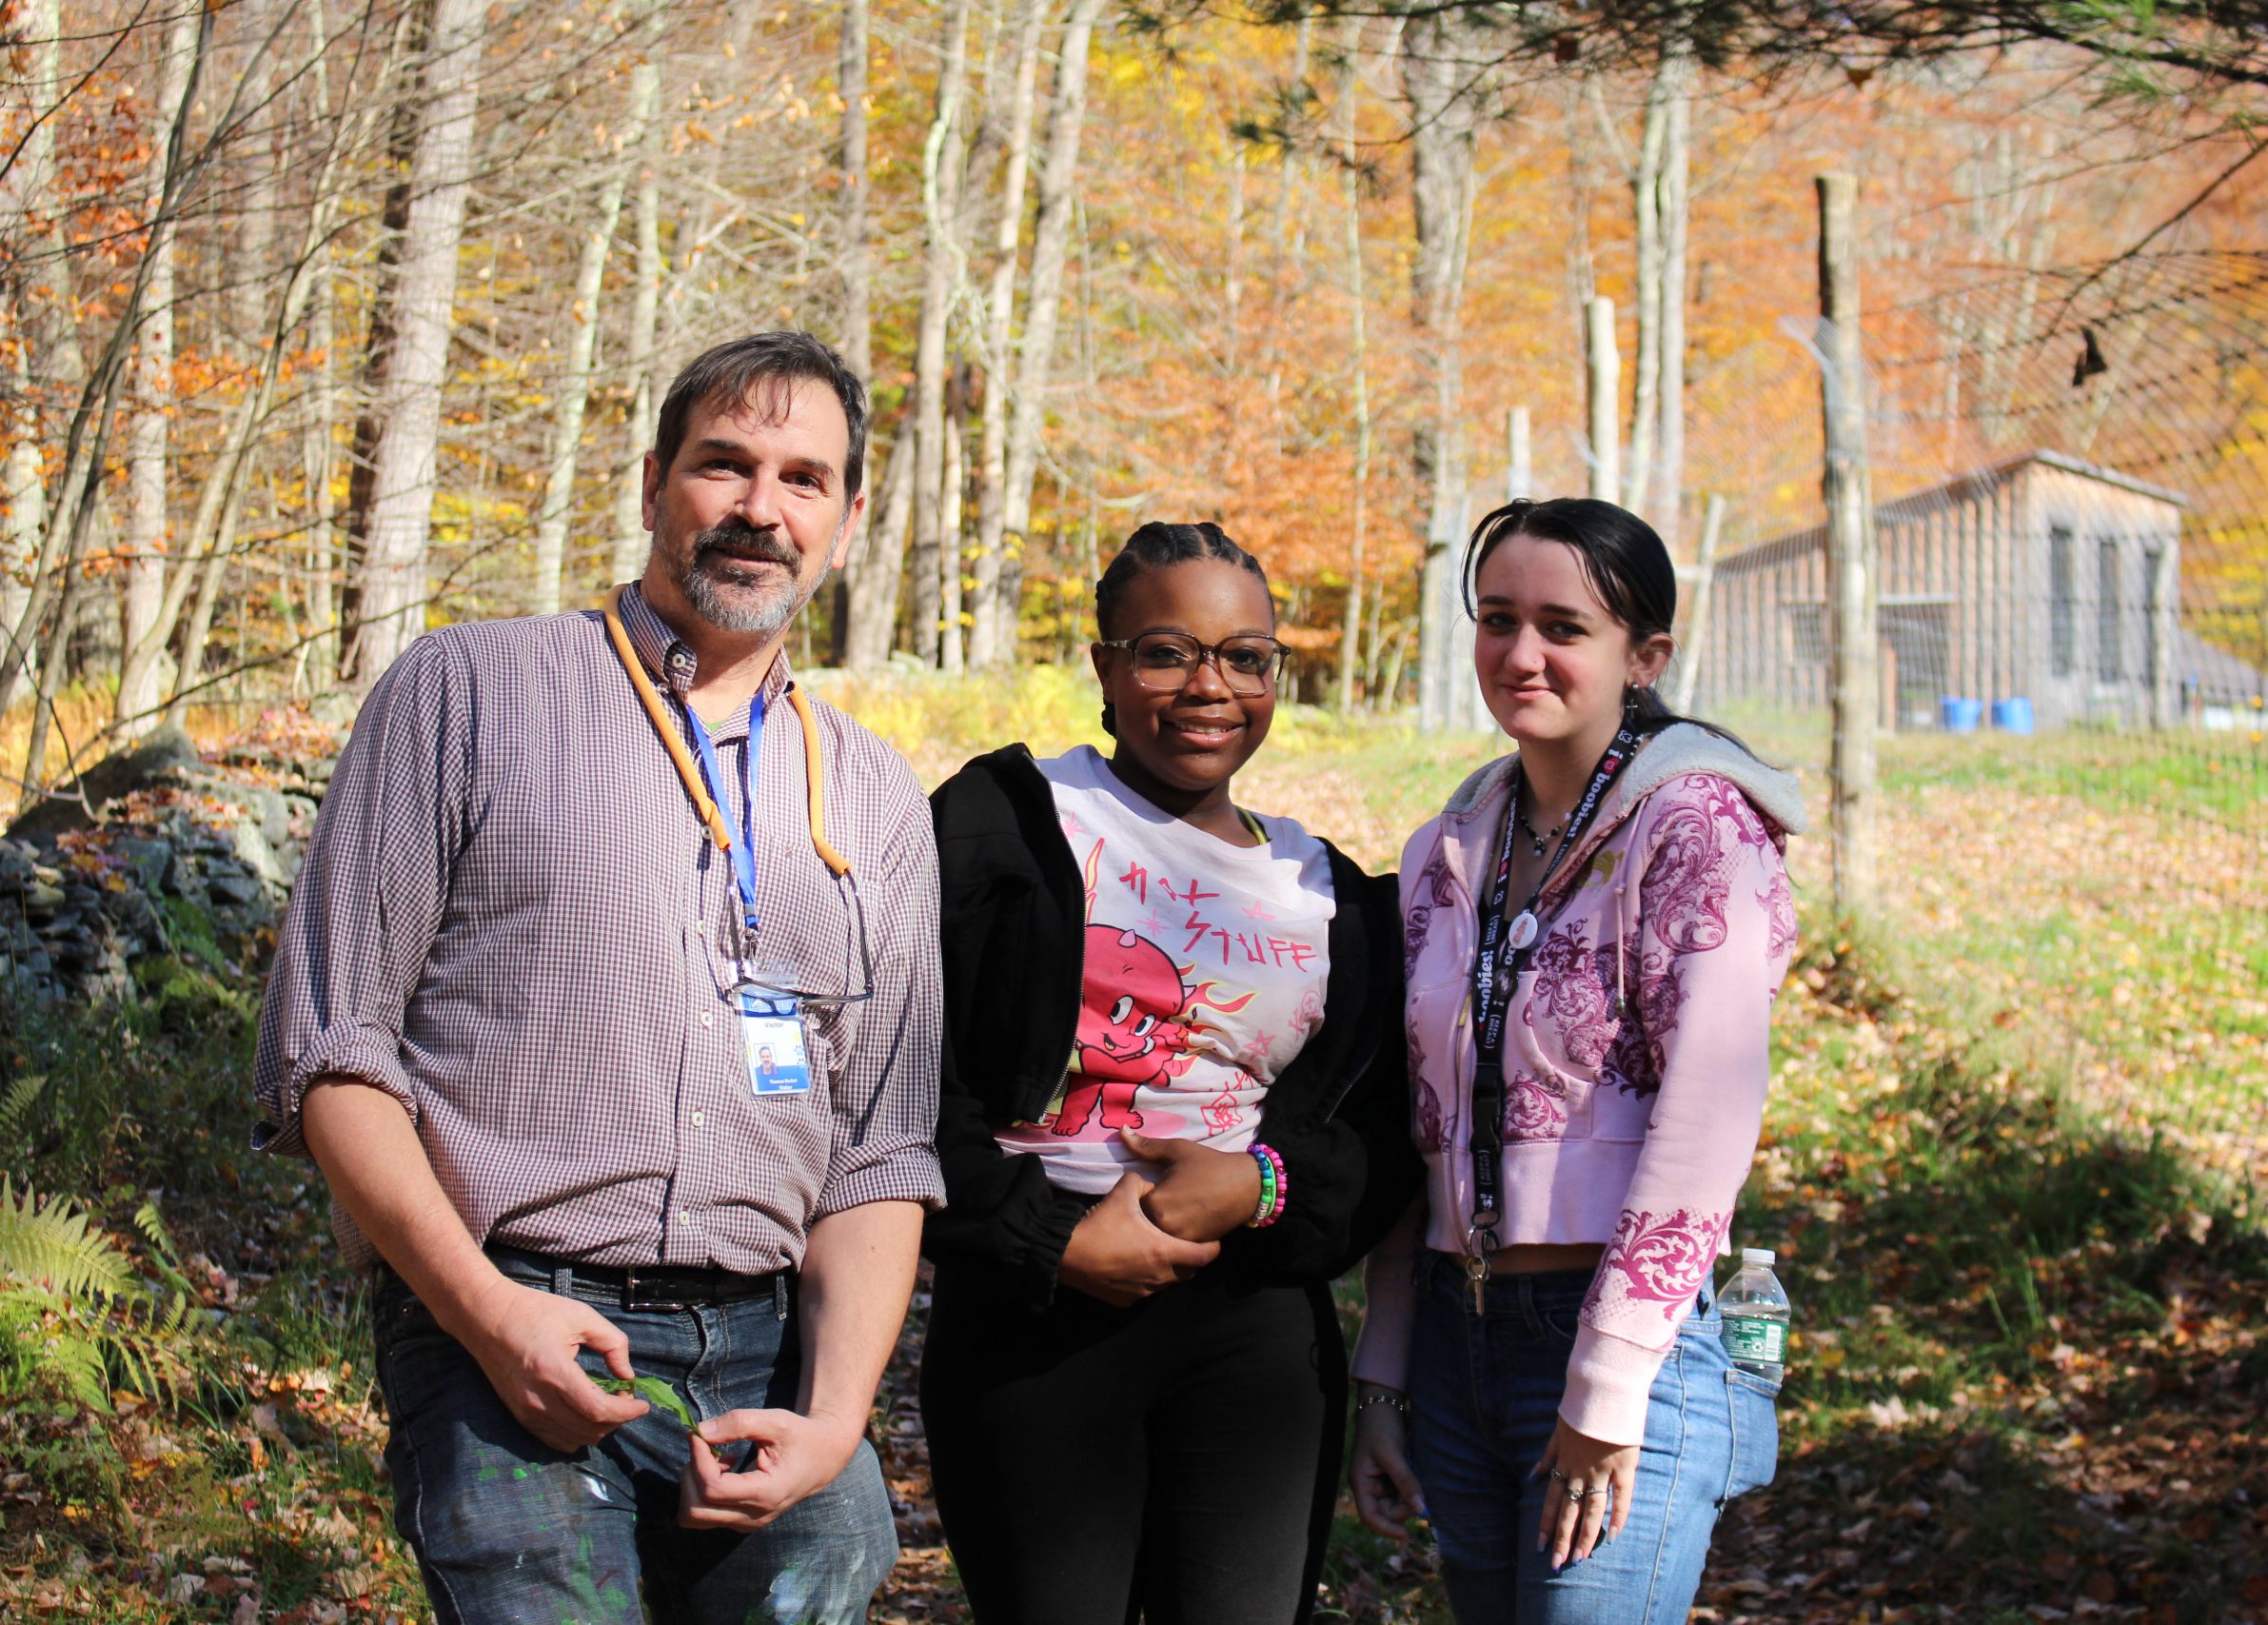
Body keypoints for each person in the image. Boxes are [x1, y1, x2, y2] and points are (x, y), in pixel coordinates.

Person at [252, 332, 943, 1623]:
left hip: (766, 1353)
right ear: (650, 485)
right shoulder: (468, 693)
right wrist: (483, 1310)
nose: (759, 507)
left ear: (845, 523)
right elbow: (331, 1053)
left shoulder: (875, 797)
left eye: (803, 478)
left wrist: (838, 1416)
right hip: (512, 1313)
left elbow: (881, 1152)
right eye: (723, 464)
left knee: (833, 1551)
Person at [920, 522, 1420, 1625]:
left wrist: (1263, 1184)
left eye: (1246, 656)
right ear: (1103, 666)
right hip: (1033, 1324)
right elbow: (896, 1080)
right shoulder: (1003, 821)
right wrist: (1050, 1238)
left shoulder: (1327, 889)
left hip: (1251, 1330)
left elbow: (1379, 1135)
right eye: (1165, 650)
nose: (1211, 686)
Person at [1348, 497, 1801, 1624]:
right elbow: (1423, 1124)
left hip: (1616, 1343)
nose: (1521, 653)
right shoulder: (1448, 850)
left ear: (1644, 655)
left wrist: (1606, 1384)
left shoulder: (1695, 829)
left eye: (1564, 626)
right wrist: (1387, 1371)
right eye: (1497, 619)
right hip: (1459, 1338)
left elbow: (1706, 1121)